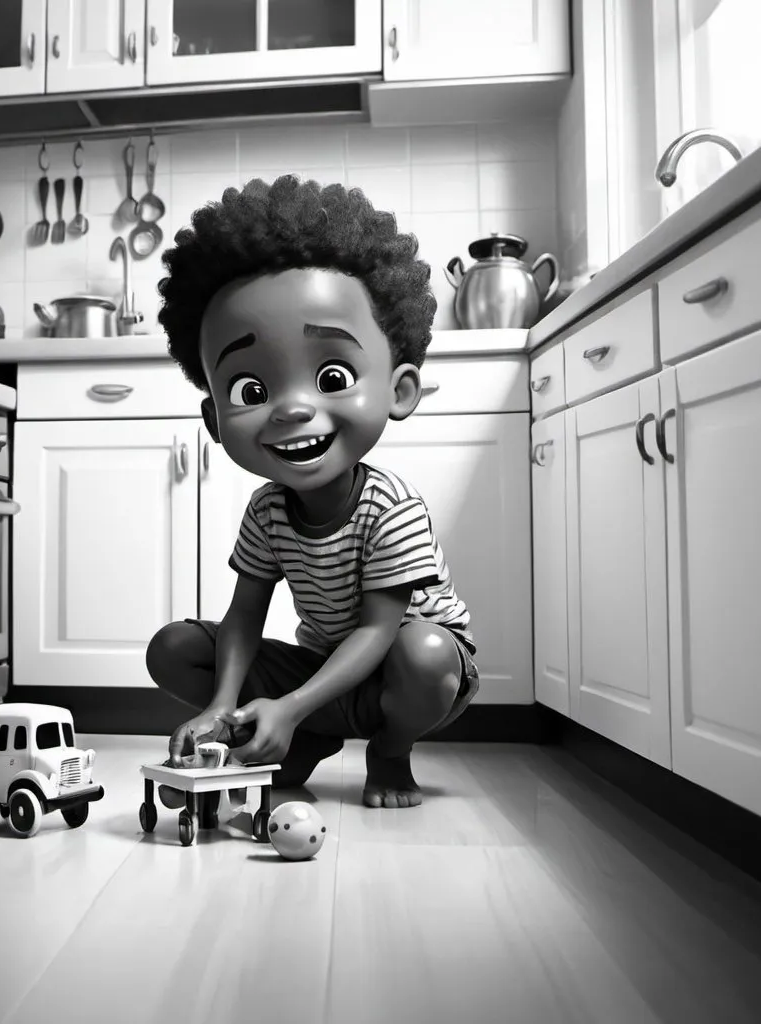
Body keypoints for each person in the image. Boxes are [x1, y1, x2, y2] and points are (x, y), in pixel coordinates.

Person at [145, 175, 479, 809]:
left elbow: (380, 633)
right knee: (176, 649)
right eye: (250, 390)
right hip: (326, 666)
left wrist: (290, 704)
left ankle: (388, 748)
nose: (292, 409)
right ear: (215, 420)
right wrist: (222, 705)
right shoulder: (268, 510)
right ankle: (305, 732)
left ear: (399, 390)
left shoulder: (391, 508)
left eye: (331, 375)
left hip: (411, 670)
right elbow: (245, 613)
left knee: (425, 650)